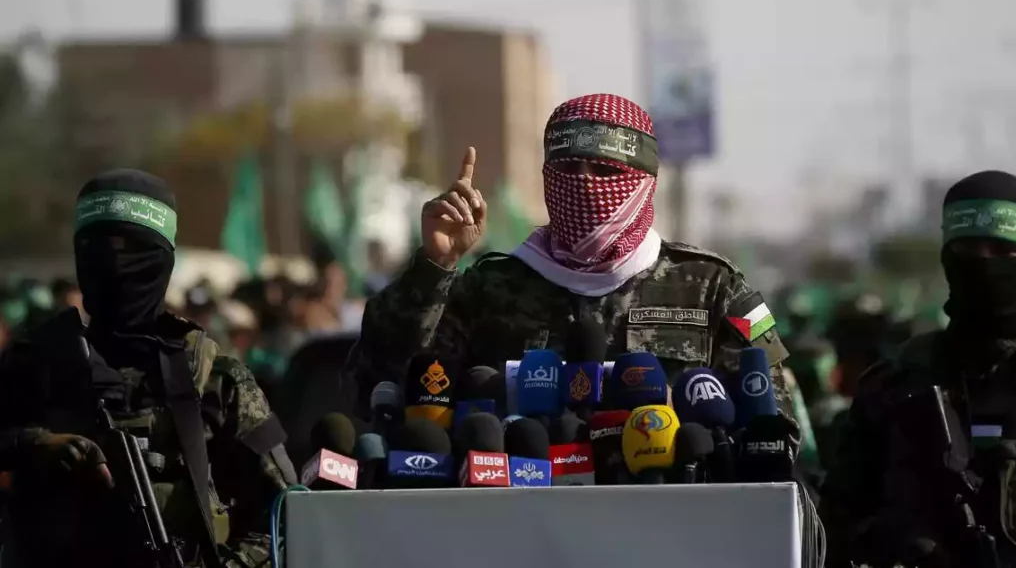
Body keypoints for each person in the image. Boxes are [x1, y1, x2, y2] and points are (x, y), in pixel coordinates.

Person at [348, 93, 800, 432]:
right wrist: (435, 265)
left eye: (604, 173)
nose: (584, 187)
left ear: (645, 183)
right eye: (568, 171)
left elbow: (776, 421)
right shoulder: (489, 287)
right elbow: (382, 376)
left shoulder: (711, 287)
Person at [0, 169, 295, 568]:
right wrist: (32, 445)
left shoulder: (216, 379)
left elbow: (284, 512)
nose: (115, 268)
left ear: (162, 261)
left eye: (133, 252)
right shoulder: (35, 365)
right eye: (100, 251)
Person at [819, 170, 1016, 568]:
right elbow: (834, 524)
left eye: (1002, 249)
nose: (984, 264)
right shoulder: (896, 384)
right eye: (970, 249)